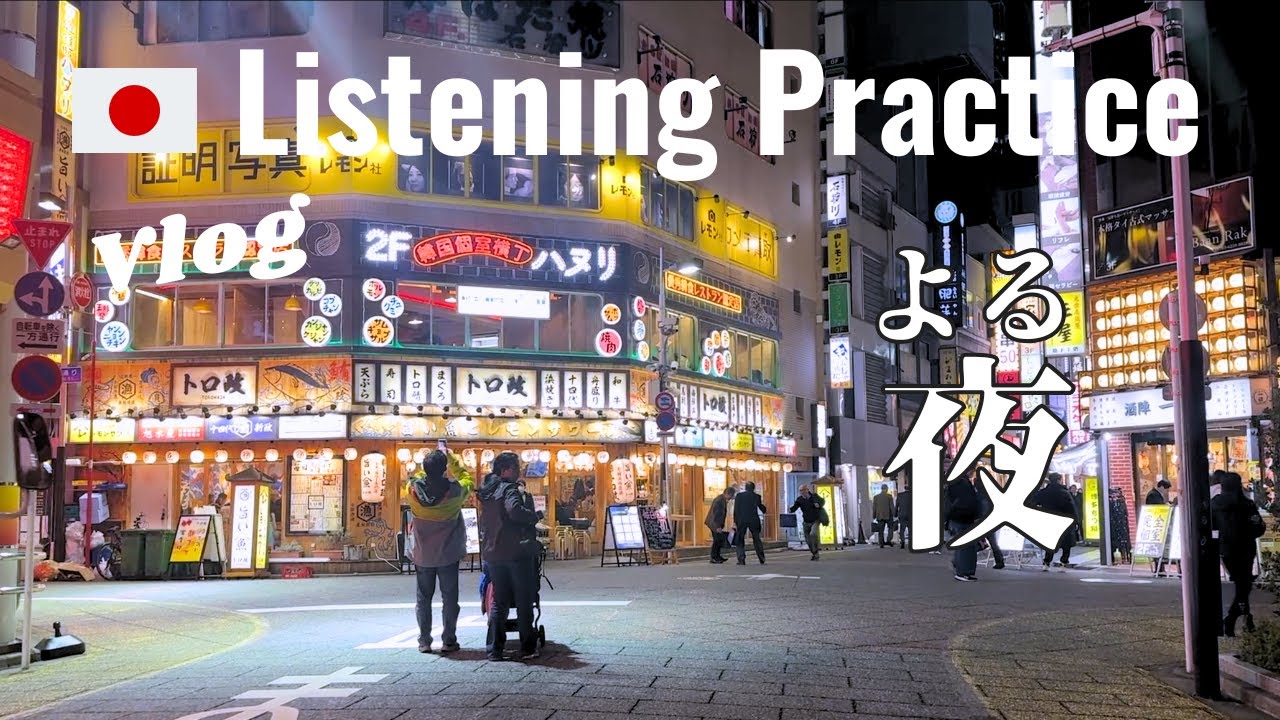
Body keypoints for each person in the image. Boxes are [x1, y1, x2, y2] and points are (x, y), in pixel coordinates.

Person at [406, 448, 473, 654]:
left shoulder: (411, 490)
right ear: (444, 469)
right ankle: (449, 640)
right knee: (450, 598)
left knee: (423, 598)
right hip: (448, 554)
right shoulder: (455, 492)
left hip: (423, 555)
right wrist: (451, 457)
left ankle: (424, 641)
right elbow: (467, 478)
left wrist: (424, 469)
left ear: (425, 469)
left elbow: (416, 477)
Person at [477, 451, 541, 661]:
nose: (518, 472)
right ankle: (527, 646)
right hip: (514, 551)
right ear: (506, 470)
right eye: (516, 468)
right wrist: (532, 516)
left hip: (493, 553)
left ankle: (494, 649)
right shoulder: (508, 488)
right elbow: (514, 510)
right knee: (523, 599)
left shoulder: (487, 491)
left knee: (499, 601)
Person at [1212, 472, 1265, 636]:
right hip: (1246, 549)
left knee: (1243, 584)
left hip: (1226, 550)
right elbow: (1259, 527)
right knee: (1244, 585)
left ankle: (1243, 619)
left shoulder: (1215, 504)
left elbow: (1211, 526)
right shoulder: (1247, 504)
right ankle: (1233, 618)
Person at [1032, 472, 1080, 571]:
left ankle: (1047, 562)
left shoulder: (1043, 492)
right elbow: (1072, 508)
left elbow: (1033, 503)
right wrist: (1076, 521)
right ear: (1059, 480)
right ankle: (1063, 563)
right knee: (1066, 544)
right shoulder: (1064, 493)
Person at [944, 474, 981, 581]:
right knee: (965, 546)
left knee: (966, 546)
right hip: (962, 517)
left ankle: (961, 568)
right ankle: (963, 572)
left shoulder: (961, 481)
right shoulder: (960, 483)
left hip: (962, 517)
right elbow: (965, 501)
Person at [733, 481, 767, 565]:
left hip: (742, 520)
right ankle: (761, 558)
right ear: (753, 488)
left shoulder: (739, 496)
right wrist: (764, 508)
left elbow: (736, 510)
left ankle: (741, 559)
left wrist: (735, 521)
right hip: (753, 520)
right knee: (756, 539)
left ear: (745, 488)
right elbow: (761, 508)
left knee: (740, 539)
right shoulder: (757, 496)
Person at [789, 484, 825, 560]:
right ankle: (814, 553)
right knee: (808, 540)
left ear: (807, 490)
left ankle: (816, 550)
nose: (802, 492)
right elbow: (795, 507)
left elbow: (822, 501)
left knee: (813, 534)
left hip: (815, 520)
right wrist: (790, 510)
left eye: (803, 490)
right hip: (806, 521)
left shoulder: (814, 496)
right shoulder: (799, 499)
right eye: (800, 491)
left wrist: (818, 504)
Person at [705, 486, 737, 564]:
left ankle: (717, 556)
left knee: (718, 540)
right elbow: (715, 514)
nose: (731, 498)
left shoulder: (721, 499)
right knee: (716, 540)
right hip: (714, 524)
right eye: (731, 496)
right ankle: (714, 557)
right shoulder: (719, 501)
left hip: (715, 523)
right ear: (727, 493)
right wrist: (717, 527)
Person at [1108, 488, 1132, 565]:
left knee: (1123, 541)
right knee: (1115, 541)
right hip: (1115, 524)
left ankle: (1126, 557)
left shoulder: (1121, 502)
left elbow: (1125, 514)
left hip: (1121, 524)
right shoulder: (1110, 503)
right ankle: (1116, 558)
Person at [895, 480, 912, 549]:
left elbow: (897, 506)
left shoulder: (900, 495)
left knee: (902, 529)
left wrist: (895, 514)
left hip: (902, 514)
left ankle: (902, 542)